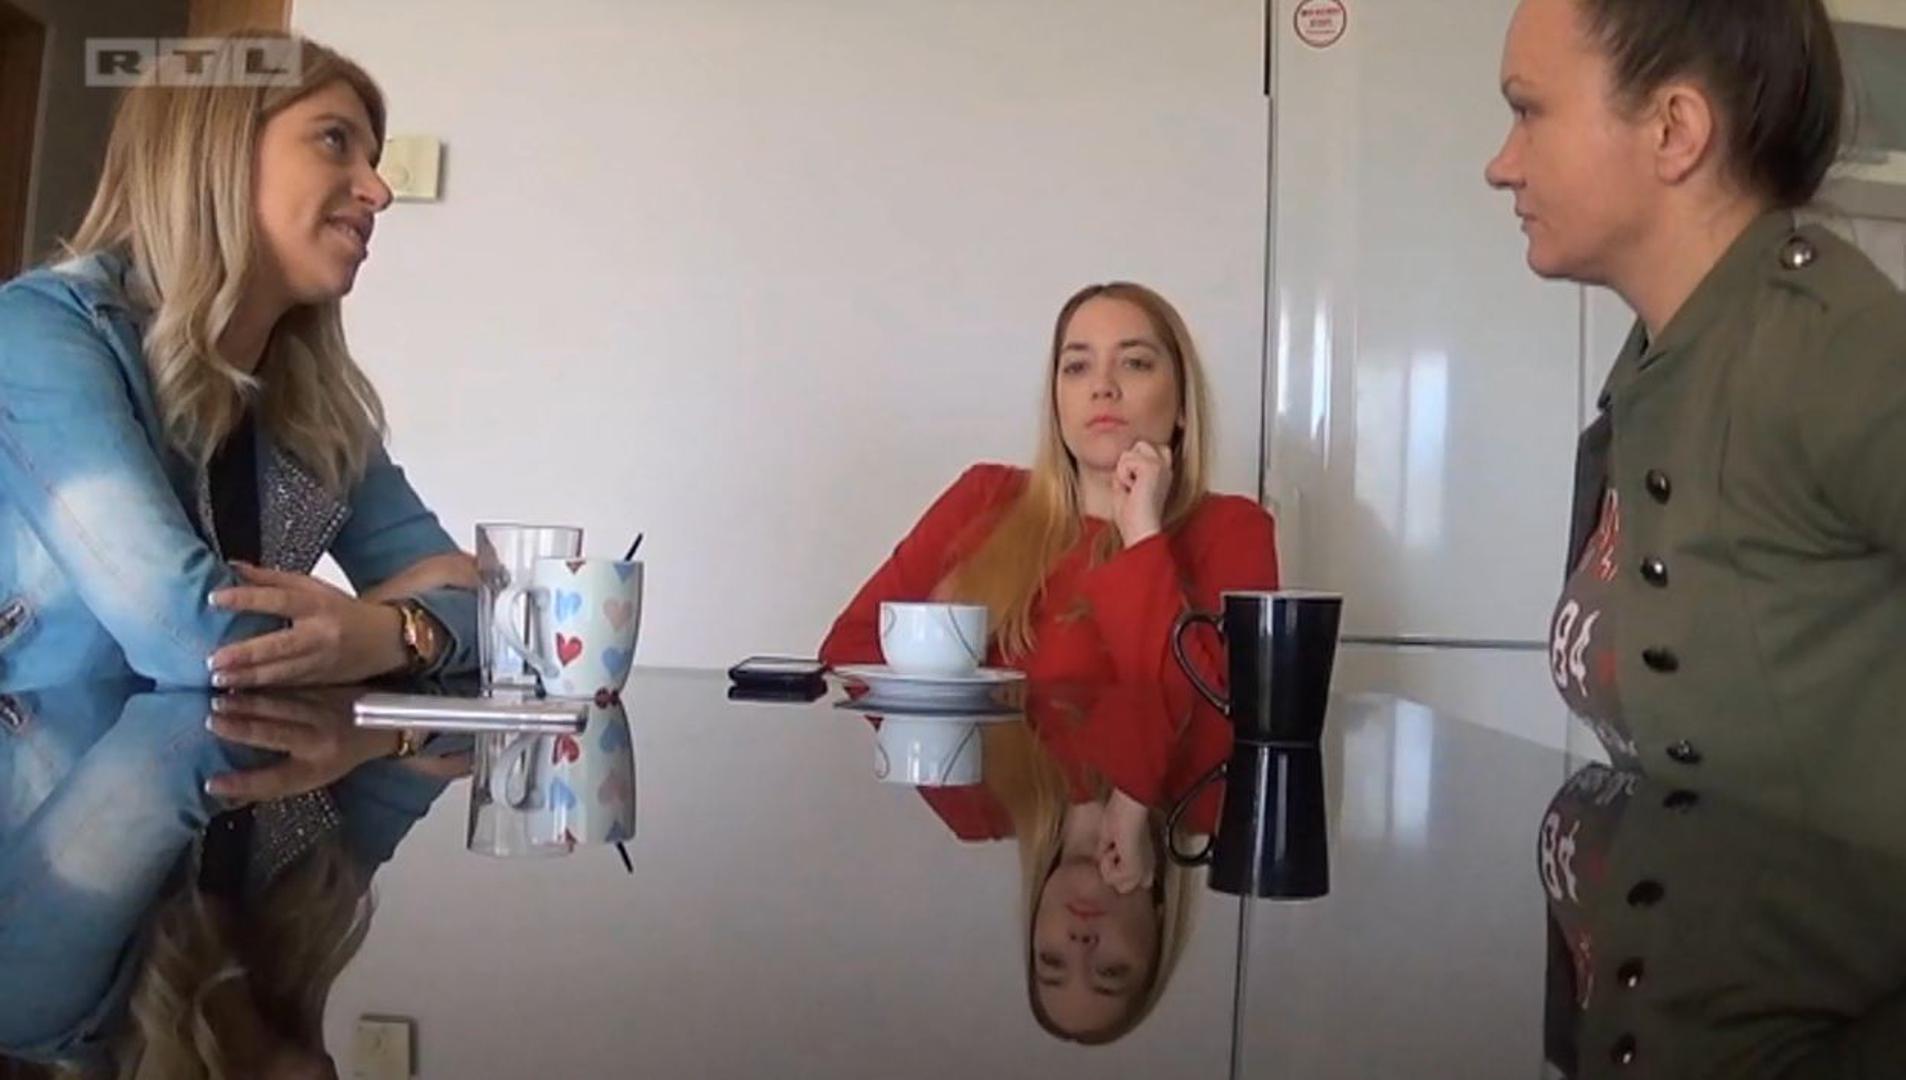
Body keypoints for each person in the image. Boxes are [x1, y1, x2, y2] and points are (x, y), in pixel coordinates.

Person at [1486, 0, 1906, 800]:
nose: (1501, 164)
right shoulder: (1656, 363)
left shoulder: (1835, 349)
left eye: (1529, 111)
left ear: (1673, 130)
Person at [0, 34, 477, 691]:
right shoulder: (39, 331)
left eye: (373, 160)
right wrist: (385, 622)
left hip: (226, 747)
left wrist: (386, 632)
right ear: (216, 151)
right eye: (334, 140)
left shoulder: (312, 399)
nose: (379, 191)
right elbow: (190, 637)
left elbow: (485, 605)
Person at [819, 282, 1279, 702]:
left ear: (1181, 404)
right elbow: (849, 650)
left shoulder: (1233, 530)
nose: (1102, 387)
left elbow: (1215, 719)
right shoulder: (983, 497)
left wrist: (1143, 536)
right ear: (1056, 401)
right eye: (1077, 367)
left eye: (1135, 363)